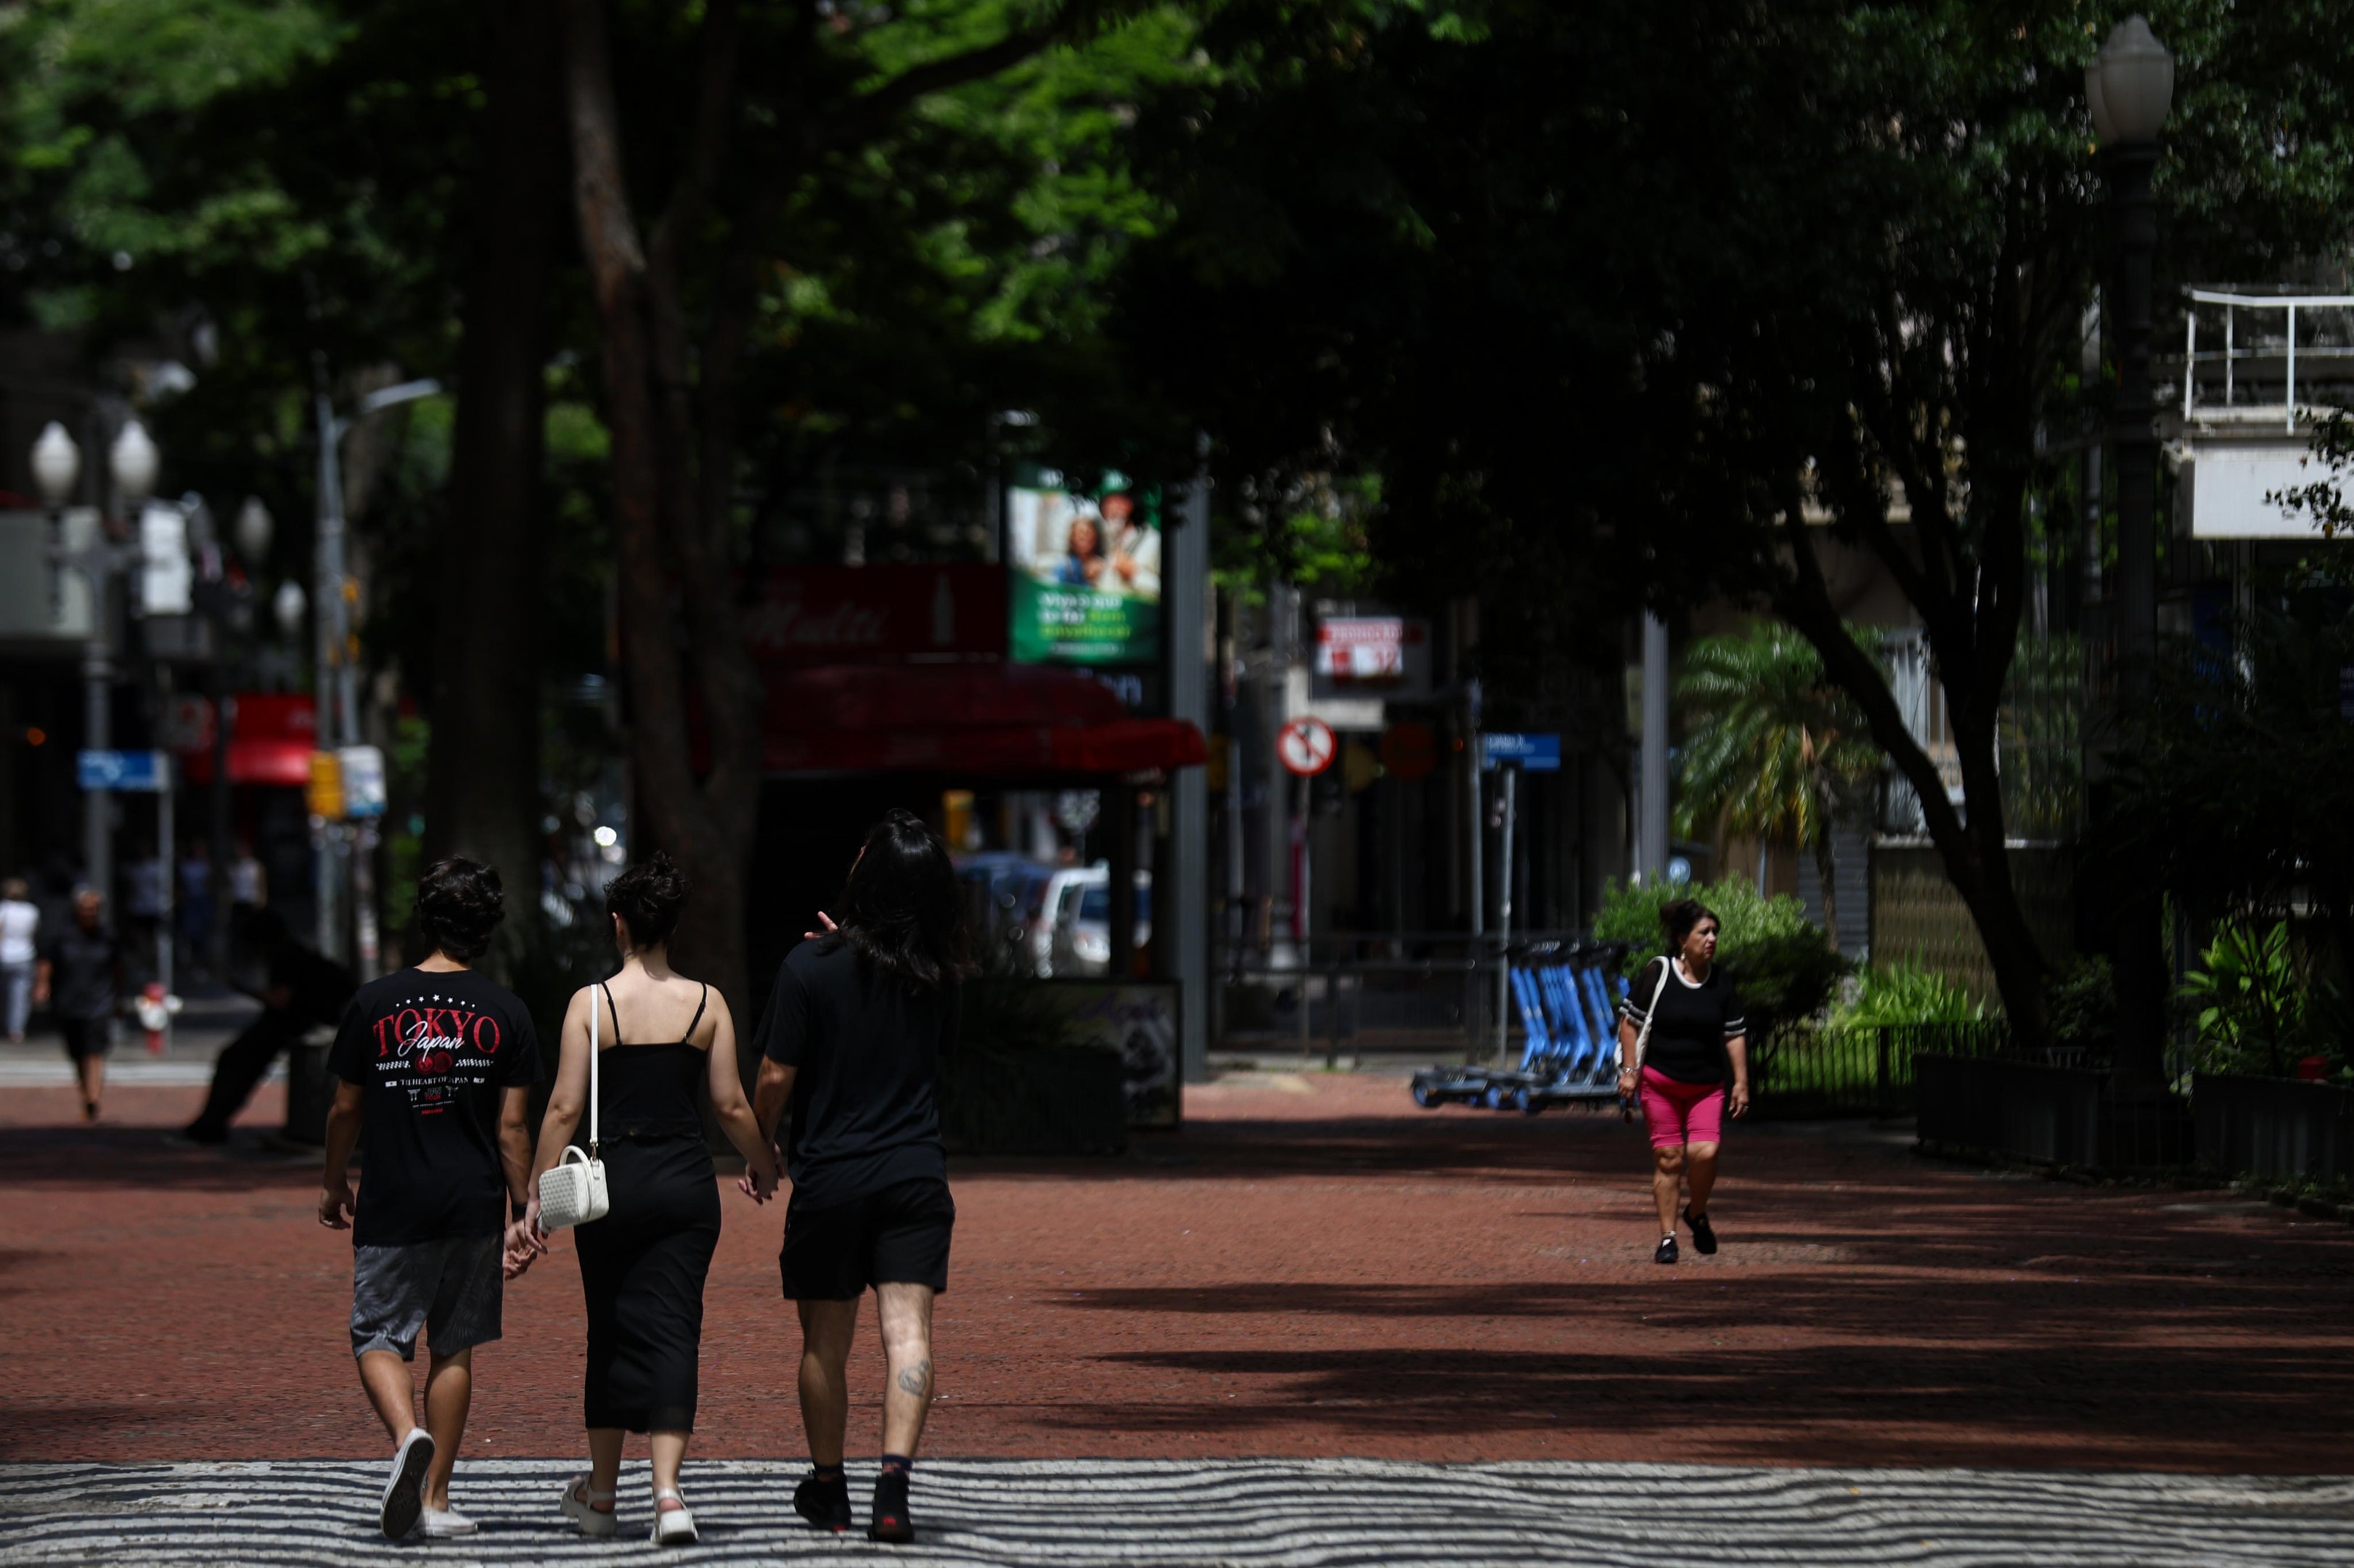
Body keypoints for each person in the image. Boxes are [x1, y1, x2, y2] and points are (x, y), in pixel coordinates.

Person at [518, 854, 780, 1545]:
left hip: (613, 1184)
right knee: (673, 1328)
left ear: (619, 925)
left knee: (607, 1327)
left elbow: (565, 1105)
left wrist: (534, 1199)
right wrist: (765, 1162)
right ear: (673, 926)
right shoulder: (707, 1002)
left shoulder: (591, 1003)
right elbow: (728, 1103)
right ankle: (668, 1497)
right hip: (685, 1182)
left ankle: (602, 1496)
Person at [753, 809, 968, 1544]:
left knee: (824, 1344)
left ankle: (829, 1488)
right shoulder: (938, 976)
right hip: (914, 1173)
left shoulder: (807, 967)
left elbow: (777, 1072)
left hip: (833, 1177)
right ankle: (894, 1491)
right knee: (908, 1334)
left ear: (864, 877)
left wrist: (762, 1148)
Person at [317, 858, 540, 1542]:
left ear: (425, 920)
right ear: (487, 930)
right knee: (455, 1346)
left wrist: (333, 1181)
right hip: (471, 1201)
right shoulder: (507, 1011)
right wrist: (522, 1207)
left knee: (377, 1334)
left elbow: (345, 1107)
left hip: (395, 1197)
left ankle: (406, 1433)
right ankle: (436, 1499)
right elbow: (510, 1126)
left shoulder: (375, 1003)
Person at [1616, 898, 1750, 1265]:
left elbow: (1734, 1034)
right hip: (1660, 1082)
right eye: (1704, 932)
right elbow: (1629, 1023)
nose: (1712, 939)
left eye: (1715, 933)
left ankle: (1697, 1212)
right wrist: (1630, 1072)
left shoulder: (1722, 982)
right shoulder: (1658, 974)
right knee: (1669, 1157)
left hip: (1707, 1085)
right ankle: (1667, 1237)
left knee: (1705, 1152)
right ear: (1681, 939)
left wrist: (1741, 1082)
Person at [181, 909, 356, 1146]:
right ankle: (211, 1121)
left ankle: (212, 1123)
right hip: (304, 1018)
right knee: (238, 1058)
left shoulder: (286, 956)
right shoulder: (292, 952)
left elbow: (280, 1000)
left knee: (239, 1059)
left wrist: (244, 989)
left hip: (309, 1020)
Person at [34, 890, 125, 1120]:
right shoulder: (63, 936)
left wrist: (118, 998)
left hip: (100, 1000)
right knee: (77, 1053)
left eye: (94, 909)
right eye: (85, 909)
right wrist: (42, 985)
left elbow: (118, 969)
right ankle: (87, 1094)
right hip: (69, 1000)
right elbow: (47, 962)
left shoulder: (108, 937)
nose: (89, 913)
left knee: (95, 1051)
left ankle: (94, 1098)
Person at [1099, 489, 1161, 598]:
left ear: (1131, 506)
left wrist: (1134, 575)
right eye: (1108, 503)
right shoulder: (1101, 545)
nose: (1113, 508)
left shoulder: (1153, 540)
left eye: (1120, 502)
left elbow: (1171, 589)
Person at [1, 876, 40, 1044]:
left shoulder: (3, 909)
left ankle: (7, 1026)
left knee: (5, 995)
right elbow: (33, 933)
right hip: (25, 955)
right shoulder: (31, 911)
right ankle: (16, 1030)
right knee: (20, 997)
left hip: (4, 955)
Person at [1053, 514, 1107, 588]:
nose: (1084, 536)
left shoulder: (1104, 565)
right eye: (1080, 532)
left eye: (1088, 533)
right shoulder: (1064, 567)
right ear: (1072, 538)